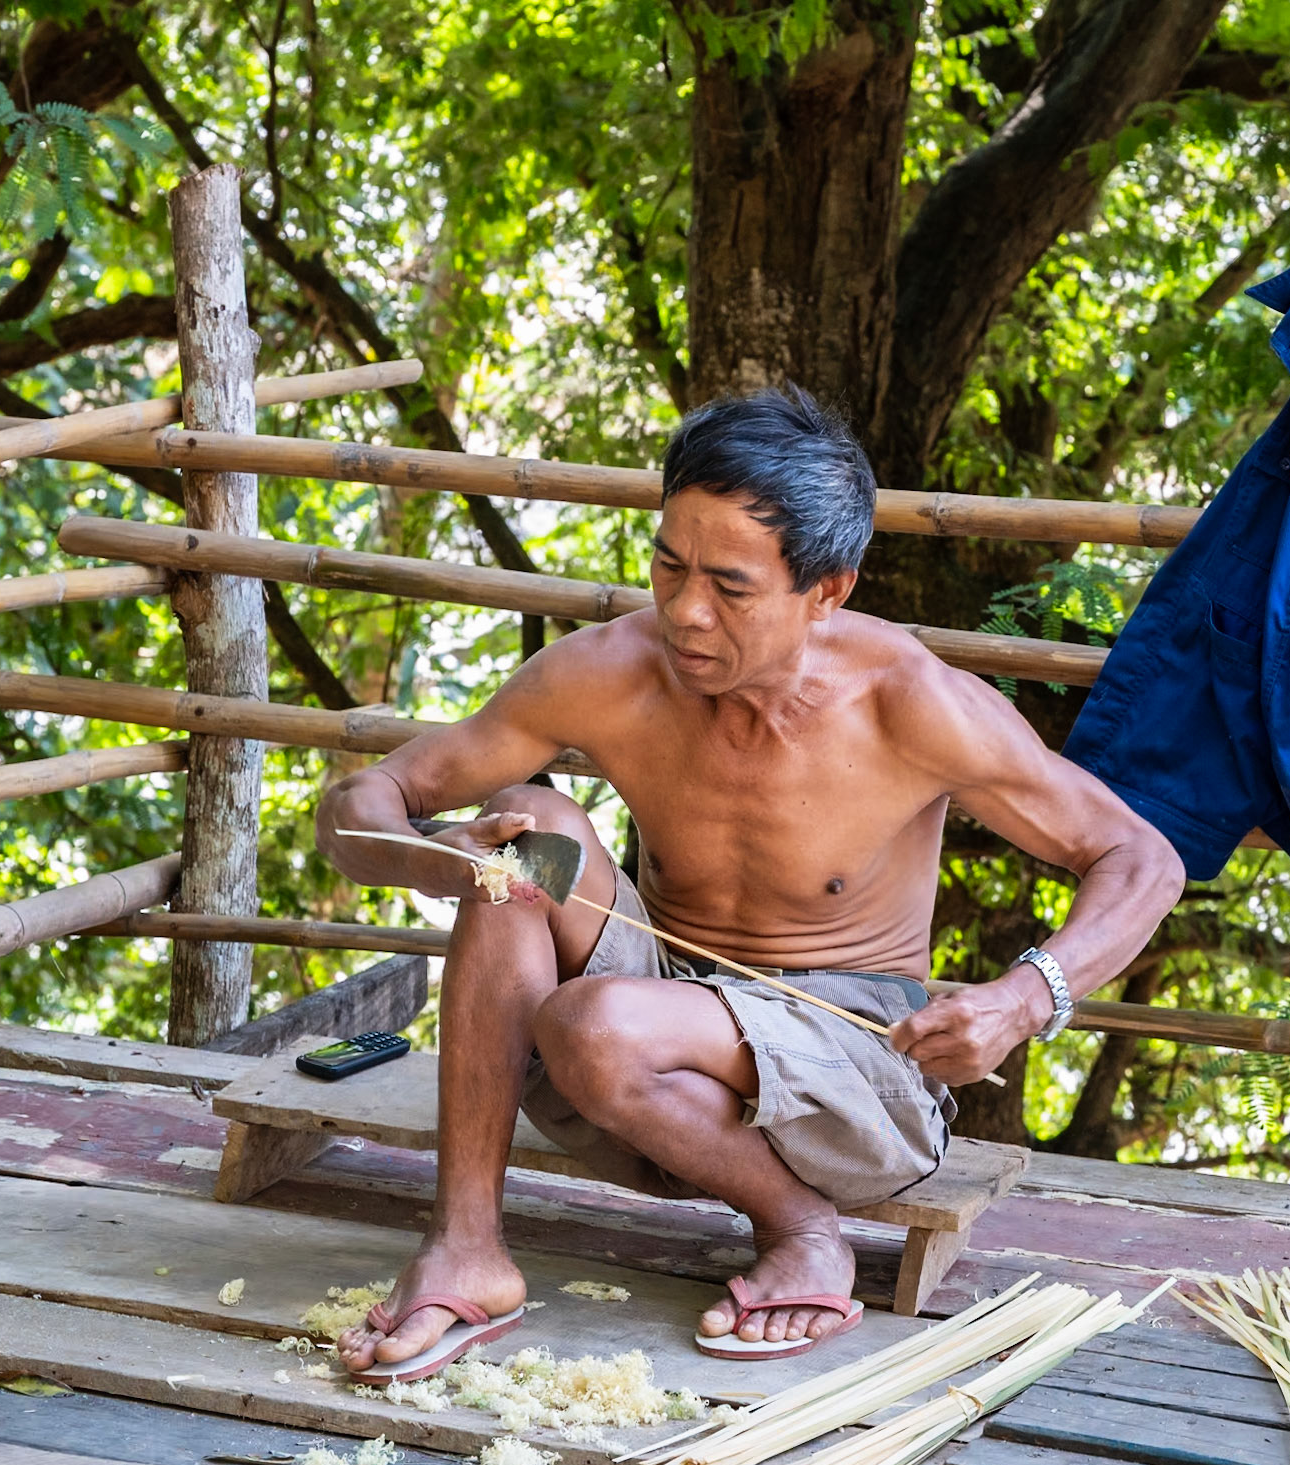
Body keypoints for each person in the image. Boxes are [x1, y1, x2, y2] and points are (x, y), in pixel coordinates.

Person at [318, 385, 1183, 1376]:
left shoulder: (911, 703)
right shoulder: (609, 674)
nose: (685, 612)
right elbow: (364, 798)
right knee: (533, 833)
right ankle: (467, 1251)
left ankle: (803, 1227)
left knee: (596, 1026)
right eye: (668, 566)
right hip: (643, 1066)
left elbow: (1141, 860)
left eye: (730, 587)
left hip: (858, 1090)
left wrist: (1026, 1000)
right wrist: (438, 855)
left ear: (828, 592)